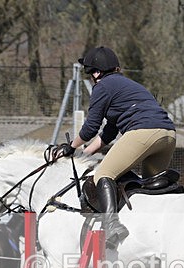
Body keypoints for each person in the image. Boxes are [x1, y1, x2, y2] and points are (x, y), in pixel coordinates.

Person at [60, 46, 176, 248]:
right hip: (168, 134)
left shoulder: (102, 87)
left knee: (103, 175)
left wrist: (71, 147)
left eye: (90, 73)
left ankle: (111, 225)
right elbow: (108, 132)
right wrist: (83, 153)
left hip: (143, 132)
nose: (91, 78)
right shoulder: (130, 86)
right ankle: (157, 233)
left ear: (96, 72)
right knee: (149, 188)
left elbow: (90, 129)